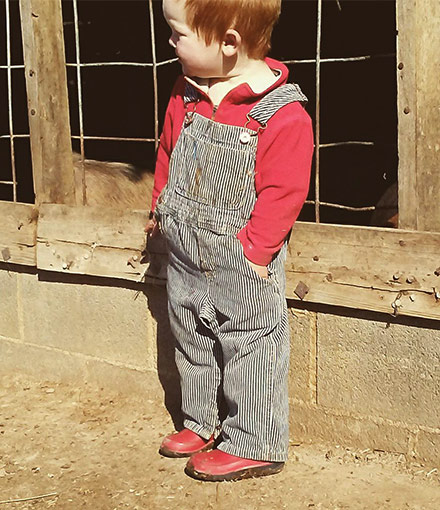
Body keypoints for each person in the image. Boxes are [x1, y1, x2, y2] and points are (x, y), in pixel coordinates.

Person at [145, 0, 313, 482]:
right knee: (191, 335)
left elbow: (284, 190)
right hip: (185, 249)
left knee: (249, 343)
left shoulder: (280, 114)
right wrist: (161, 205)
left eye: (178, 34)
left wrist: (257, 250)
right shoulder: (188, 92)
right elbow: (169, 150)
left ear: (229, 42)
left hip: (240, 255)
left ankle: (255, 439)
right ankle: (204, 422)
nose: (171, 43)